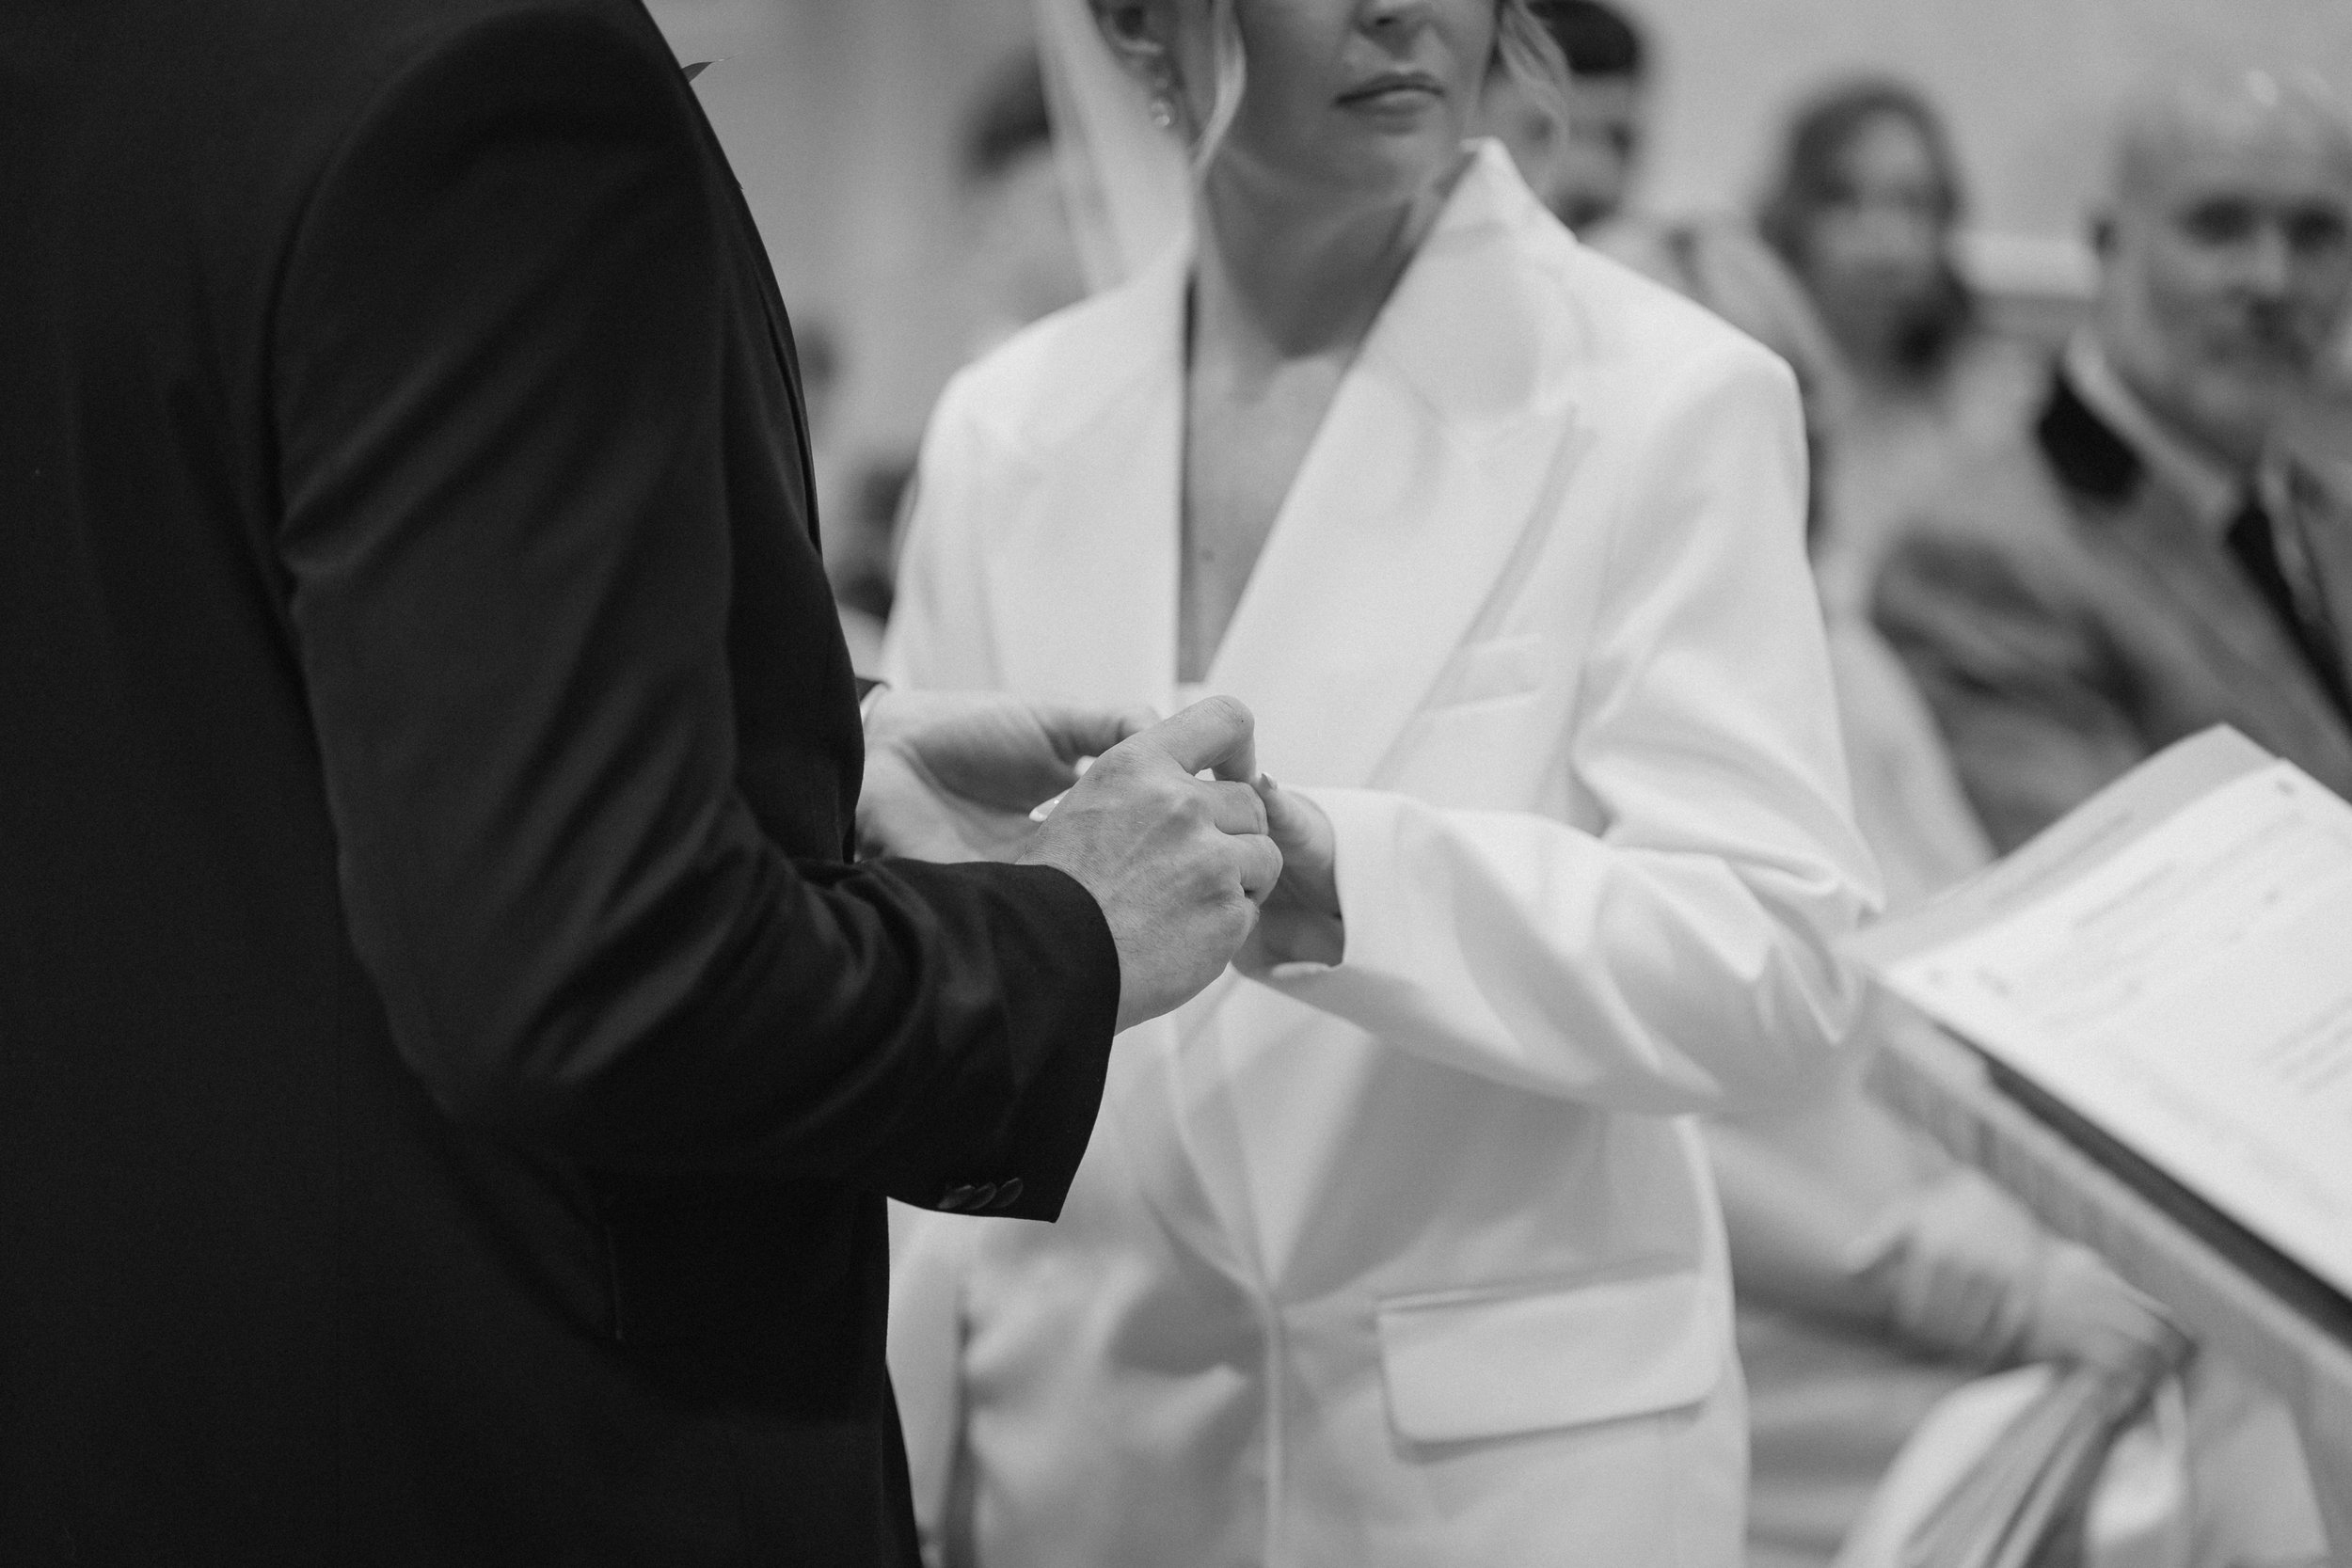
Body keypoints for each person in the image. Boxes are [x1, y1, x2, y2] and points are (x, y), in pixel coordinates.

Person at [0, 2, 1288, 1561]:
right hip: (499, 1444)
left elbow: (166, 675)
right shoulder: (491, 86)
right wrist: (1061, 937)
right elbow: (592, 977)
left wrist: (795, 745)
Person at [882, 1, 1879, 1563]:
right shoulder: (1005, 427)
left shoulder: (1667, 394)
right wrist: (918, 1424)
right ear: (1147, 24)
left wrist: (1337, 867)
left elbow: (1783, 962)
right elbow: (940, 974)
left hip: (1504, 1478)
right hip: (1083, 1453)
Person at [1876, 70, 2352, 853]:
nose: (2274, 280)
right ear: (2107, 246)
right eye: (2220, 225)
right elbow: (2126, 909)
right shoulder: (1980, 556)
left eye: (2316, 235)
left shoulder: (2328, 513)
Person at [1759, 79, 2049, 617]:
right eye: (1843, 200)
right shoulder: (1751, 392)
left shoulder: (2000, 399)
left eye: (1911, 204)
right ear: (1791, 218)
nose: (1881, 242)